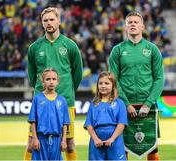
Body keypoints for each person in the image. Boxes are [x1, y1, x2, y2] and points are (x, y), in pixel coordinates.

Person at [24, 7, 83, 160]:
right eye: (45, 20)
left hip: (66, 100)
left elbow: (77, 74)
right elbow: (32, 75)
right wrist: (41, 90)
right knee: (31, 142)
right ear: (42, 24)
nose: (49, 23)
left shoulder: (70, 45)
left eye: (52, 19)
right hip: (41, 101)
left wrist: (67, 90)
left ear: (59, 21)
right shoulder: (34, 47)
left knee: (69, 142)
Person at [108, 11, 164, 160]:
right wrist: (126, 104)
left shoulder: (152, 49)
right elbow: (113, 80)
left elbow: (159, 79)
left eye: (136, 22)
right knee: (122, 148)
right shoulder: (117, 50)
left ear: (142, 26)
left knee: (152, 148)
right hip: (123, 106)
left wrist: (148, 103)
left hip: (148, 106)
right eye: (129, 22)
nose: (133, 24)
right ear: (125, 27)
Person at [84, 71, 128, 160]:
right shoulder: (93, 103)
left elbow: (121, 124)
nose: (103, 86)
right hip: (97, 139)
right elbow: (89, 124)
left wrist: (112, 138)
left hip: (115, 139)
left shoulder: (119, 103)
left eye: (107, 83)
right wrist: (95, 139)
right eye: (100, 83)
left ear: (113, 86)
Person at [28, 68, 70, 160]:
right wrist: (35, 138)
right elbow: (33, 121)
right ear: (43, 81)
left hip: (56, 140)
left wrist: (63, 140)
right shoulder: (37, 99)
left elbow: (65, 123)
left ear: (58, 81)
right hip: (41, 139)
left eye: (54, 79)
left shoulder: (62, 100)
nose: (51, 82)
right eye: (48, 79)